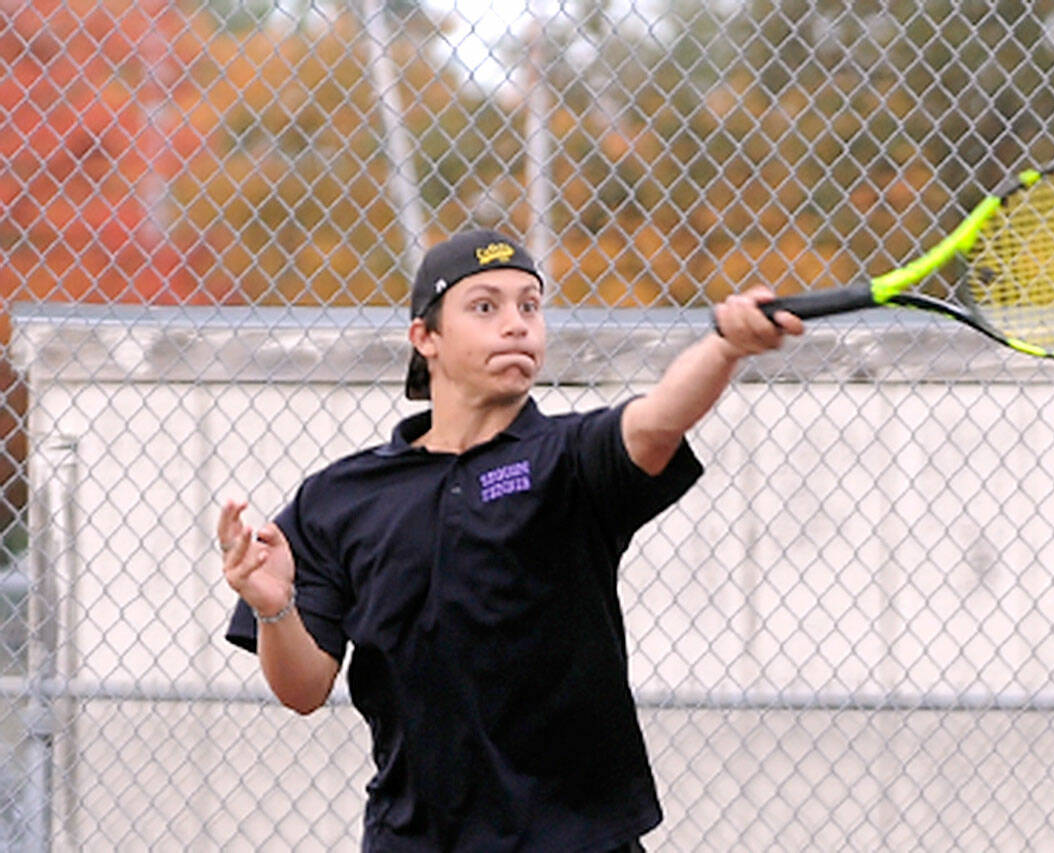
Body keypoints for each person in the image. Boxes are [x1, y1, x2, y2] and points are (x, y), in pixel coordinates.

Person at [220, 228, 803, 852]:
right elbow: (303, 691)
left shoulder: (567, 459)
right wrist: (273, 605)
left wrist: (723, 348)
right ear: (426, 337)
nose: (517, 324)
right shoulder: (340, 498)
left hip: (579, 839)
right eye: (485, 306)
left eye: (530, 305)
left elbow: (659, 418)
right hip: (413, 839)